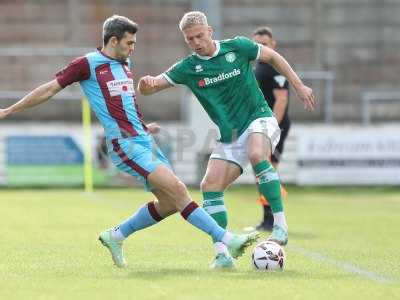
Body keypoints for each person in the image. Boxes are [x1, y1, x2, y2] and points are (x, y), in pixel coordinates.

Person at [0, 15, 258, 268]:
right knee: (179, 190)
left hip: (144, 140)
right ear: (113, 41)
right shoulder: (87, 64)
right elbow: (49, 88)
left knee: (168, 203)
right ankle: (227, 241)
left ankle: (116, 235)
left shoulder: (125, 63)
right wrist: (9, 111)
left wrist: (144, 126)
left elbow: (124, 103)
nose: (133, 48)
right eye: (129, 43)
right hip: (125, 145)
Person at [137, 11, 315, 269]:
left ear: (210, 31)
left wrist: (298, 85)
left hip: (259, 118)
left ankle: (280, 226)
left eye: (199, 35)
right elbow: (152, 86)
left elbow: (273, 57)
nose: (196, 42)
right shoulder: (188, 67)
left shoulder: (237, 47)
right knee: (209, 185)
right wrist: (145, 84)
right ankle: (222, 254)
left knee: (257, 154)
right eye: (190, 39)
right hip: (230, 136)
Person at [252, 27, 291, 231]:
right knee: (263, 171)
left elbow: (281, 100)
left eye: (265, 44)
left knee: (267, 171)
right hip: (262, 125)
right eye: (257, 44)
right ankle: (269, 218)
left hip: (275, 126)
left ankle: (272, 220)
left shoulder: (275, 66)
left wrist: (271, 129)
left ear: (273, 44)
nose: (261, 47)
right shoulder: (259, 66)